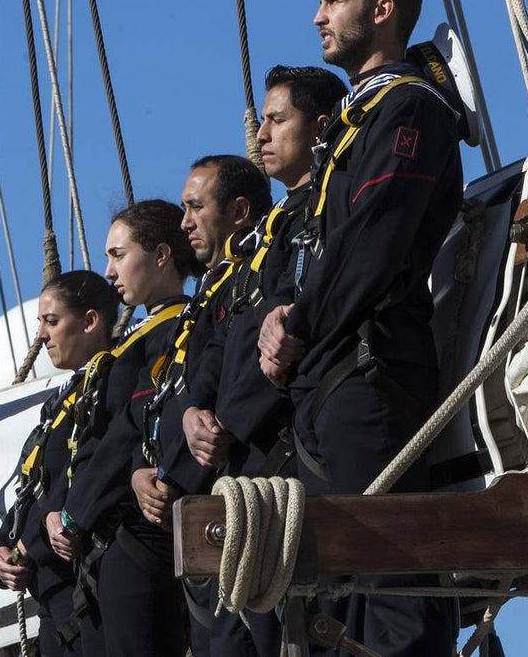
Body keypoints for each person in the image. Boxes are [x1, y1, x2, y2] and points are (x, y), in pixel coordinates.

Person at [259, 0, 465, 656]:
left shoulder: (408, 108)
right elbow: (321, 240)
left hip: (369, 372)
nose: (317, 16)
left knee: (391, 590)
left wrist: (301, 321)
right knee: (337, 599)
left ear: (381, 12)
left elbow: (374, 240)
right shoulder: (356, 121)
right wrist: (280, 315)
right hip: (327, 376)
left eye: (332, 1)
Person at [168, 71, 345, 657]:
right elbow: (219, 353)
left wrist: (287, 315)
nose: (261, 136)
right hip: (235, 470)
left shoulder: (324, 207)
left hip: (282, 451)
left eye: (276, 122)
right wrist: (193, 410)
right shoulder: (251, 259)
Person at [127, 155, 272, 656]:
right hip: (203, 508)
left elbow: (241, 370)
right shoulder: (210, 292)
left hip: (245, 490)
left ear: (237, 211)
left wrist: (191, 449)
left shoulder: (259, 271)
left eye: (194, 207)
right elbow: (175, 394)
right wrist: (145, 471)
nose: (185, 220)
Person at [56, 199, 202, 657]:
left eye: (119, 255)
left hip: (132, 531)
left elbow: (127, 428)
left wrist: (72, 513)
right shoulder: (138, 336)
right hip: (104, 537)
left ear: (160, 255)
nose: (109, 270)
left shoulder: (172, 328)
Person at [0, 270, 120, 656]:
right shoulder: (60, 403)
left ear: (90, 321)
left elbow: (86, 469)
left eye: (52, 321)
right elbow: (34, 488)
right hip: (52, 599)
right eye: (40, 323)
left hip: (84, 590)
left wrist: (34, 539)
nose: (42, 335)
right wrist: (0, 548)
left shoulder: (112, 380)